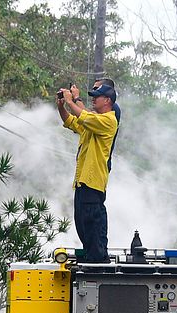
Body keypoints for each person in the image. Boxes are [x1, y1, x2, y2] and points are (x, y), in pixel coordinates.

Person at [56, 81, 119, 263]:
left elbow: (84, 116)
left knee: (93, 222)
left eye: (96, 98)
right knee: (82, 222)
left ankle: (97, 258)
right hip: (82, 181)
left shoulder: (108, 120)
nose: (93, 101)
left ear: (107, 100)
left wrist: (71, 100)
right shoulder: (94, 122)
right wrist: (62, 107)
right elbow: (71, 121)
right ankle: (92, 256)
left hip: (94, 182)